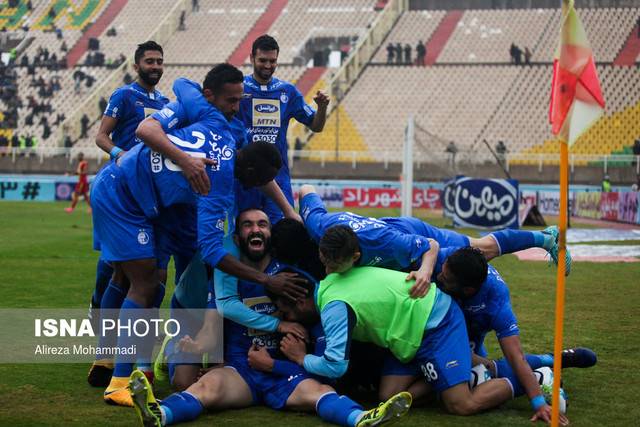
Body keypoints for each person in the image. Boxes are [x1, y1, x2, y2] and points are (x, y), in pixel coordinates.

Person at [94, 65, 292, 407]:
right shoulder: (218, 187)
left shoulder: (215, 119)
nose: (236, 106)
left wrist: (290, 213)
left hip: (148, 201)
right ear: (246, 174)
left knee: (153, 281)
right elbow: (214, 253)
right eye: (232, 100)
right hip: (121, 196)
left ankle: (144, 366)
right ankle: (118, 382)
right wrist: (265, 280)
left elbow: (183, 83)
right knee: (141, 283)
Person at [128, 209, 412, 427]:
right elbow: (217, 317)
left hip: (285, 372)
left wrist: (291, 354)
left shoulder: (292, 274)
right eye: (248, 225)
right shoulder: (227, 274)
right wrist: (199, 347)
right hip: (241, 370)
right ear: (238, 238)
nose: (256, 229)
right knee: (204, 387)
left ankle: (361, 418)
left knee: (320, 391)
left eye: (262, 224)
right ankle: (160, 413)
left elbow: (317, 314)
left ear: (269, 234)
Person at [271, 264, 536, 422]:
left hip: (436, 323)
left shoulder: (333, 307)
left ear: (302, 300)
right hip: (408, 336)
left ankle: (533, 379)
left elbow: (336, 367)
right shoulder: (330, 281)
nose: (287, 320)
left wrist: (299, 357)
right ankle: (466, 373)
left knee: (460, 405)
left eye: (287, 313)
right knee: (389, 396)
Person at [88, 41, 170, 388]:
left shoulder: (166, 105)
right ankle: (108, 353)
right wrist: (121, 153)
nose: (155, 65)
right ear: (137, 65)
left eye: (159, 61)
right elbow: (101, 136)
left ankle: (133, 357)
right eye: (149, 61)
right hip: (122, 195)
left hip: (151, 197)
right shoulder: (124, 96)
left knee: (144, 280)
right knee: (120, 275)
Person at [298, 184, 572, 277]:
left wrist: (425, 272)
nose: (328, 269)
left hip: (413, 233)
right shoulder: (320, 226)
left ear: (356, 256)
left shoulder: (389, 243)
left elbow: (429, 245)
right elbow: (307, 189)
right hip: (393, 235)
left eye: (334, 265)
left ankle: (546, 238)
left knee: (480, 250)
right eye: (326, 261)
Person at [236, 35, 329, 225]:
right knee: (245, 232)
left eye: (272, 61)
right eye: (263, 60)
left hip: (278, 177)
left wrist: (322, 108)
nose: (268, 65)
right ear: (252, 58)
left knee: (282, 231)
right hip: (245, 177)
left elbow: (316, 126)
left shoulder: (287, 91)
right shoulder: (238, 89)